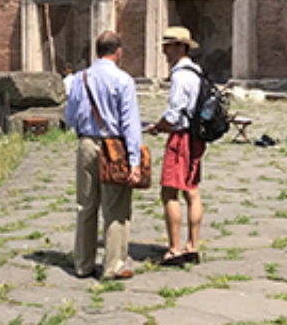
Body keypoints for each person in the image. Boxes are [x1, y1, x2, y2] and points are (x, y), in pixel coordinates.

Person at [63, 30, 142, 281]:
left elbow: (70, 115)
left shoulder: (80, 78)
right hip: (114, 146)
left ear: (97, 51)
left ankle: (83, 264)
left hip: (86, 143)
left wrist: (85, 131)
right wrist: (134, 161)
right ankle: (113, 265)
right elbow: (130, 123)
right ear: (118, 52)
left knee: (85, 206)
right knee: (116, 207)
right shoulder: (123, 80)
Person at [148, 26, 205, 266]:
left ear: (181, 47)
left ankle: (174, 249)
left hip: (180, 138)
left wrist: (157, 127)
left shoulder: (181, 75)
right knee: (191, 190)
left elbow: (173, 113)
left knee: (170, 192)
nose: (164, 50)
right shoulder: (197, 72)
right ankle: (192, 245)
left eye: (169, 45)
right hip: (195, 137)